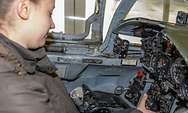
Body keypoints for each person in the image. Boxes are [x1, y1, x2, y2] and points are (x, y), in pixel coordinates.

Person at [0, 0, 157, 113]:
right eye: (49, 13)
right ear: (24, 9)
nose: (52, 24)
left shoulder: (26, 58)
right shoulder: (13, 87)